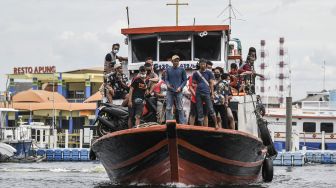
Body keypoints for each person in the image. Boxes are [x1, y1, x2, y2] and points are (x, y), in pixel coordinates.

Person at [192, 59, 218, 128]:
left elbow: (211, 84)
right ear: (199, 64)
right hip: (198, 93)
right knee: (199, 111)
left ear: (206, 64)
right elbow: (193, 83)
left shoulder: (209, 73)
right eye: (201, 64)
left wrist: (212, 94)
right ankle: (201, 127)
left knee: (211, 109)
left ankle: (216, 124)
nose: (203, 65)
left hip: (206, 93)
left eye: (204, 64)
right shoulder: (195, 73)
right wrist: (194, 85)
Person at [165, 55, 188, 124]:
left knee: (180, 108)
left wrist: (180, 87)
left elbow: (185, 80)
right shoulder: (168, 69)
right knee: (168, 107)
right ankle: (169, 123)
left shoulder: (182, 69)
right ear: (172, 61)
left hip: (179, 92)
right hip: (170, 91)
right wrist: (168, 84)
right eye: (175, 61)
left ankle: (182, 123)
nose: (176, 62)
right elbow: (166, 79)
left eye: (177, 61)